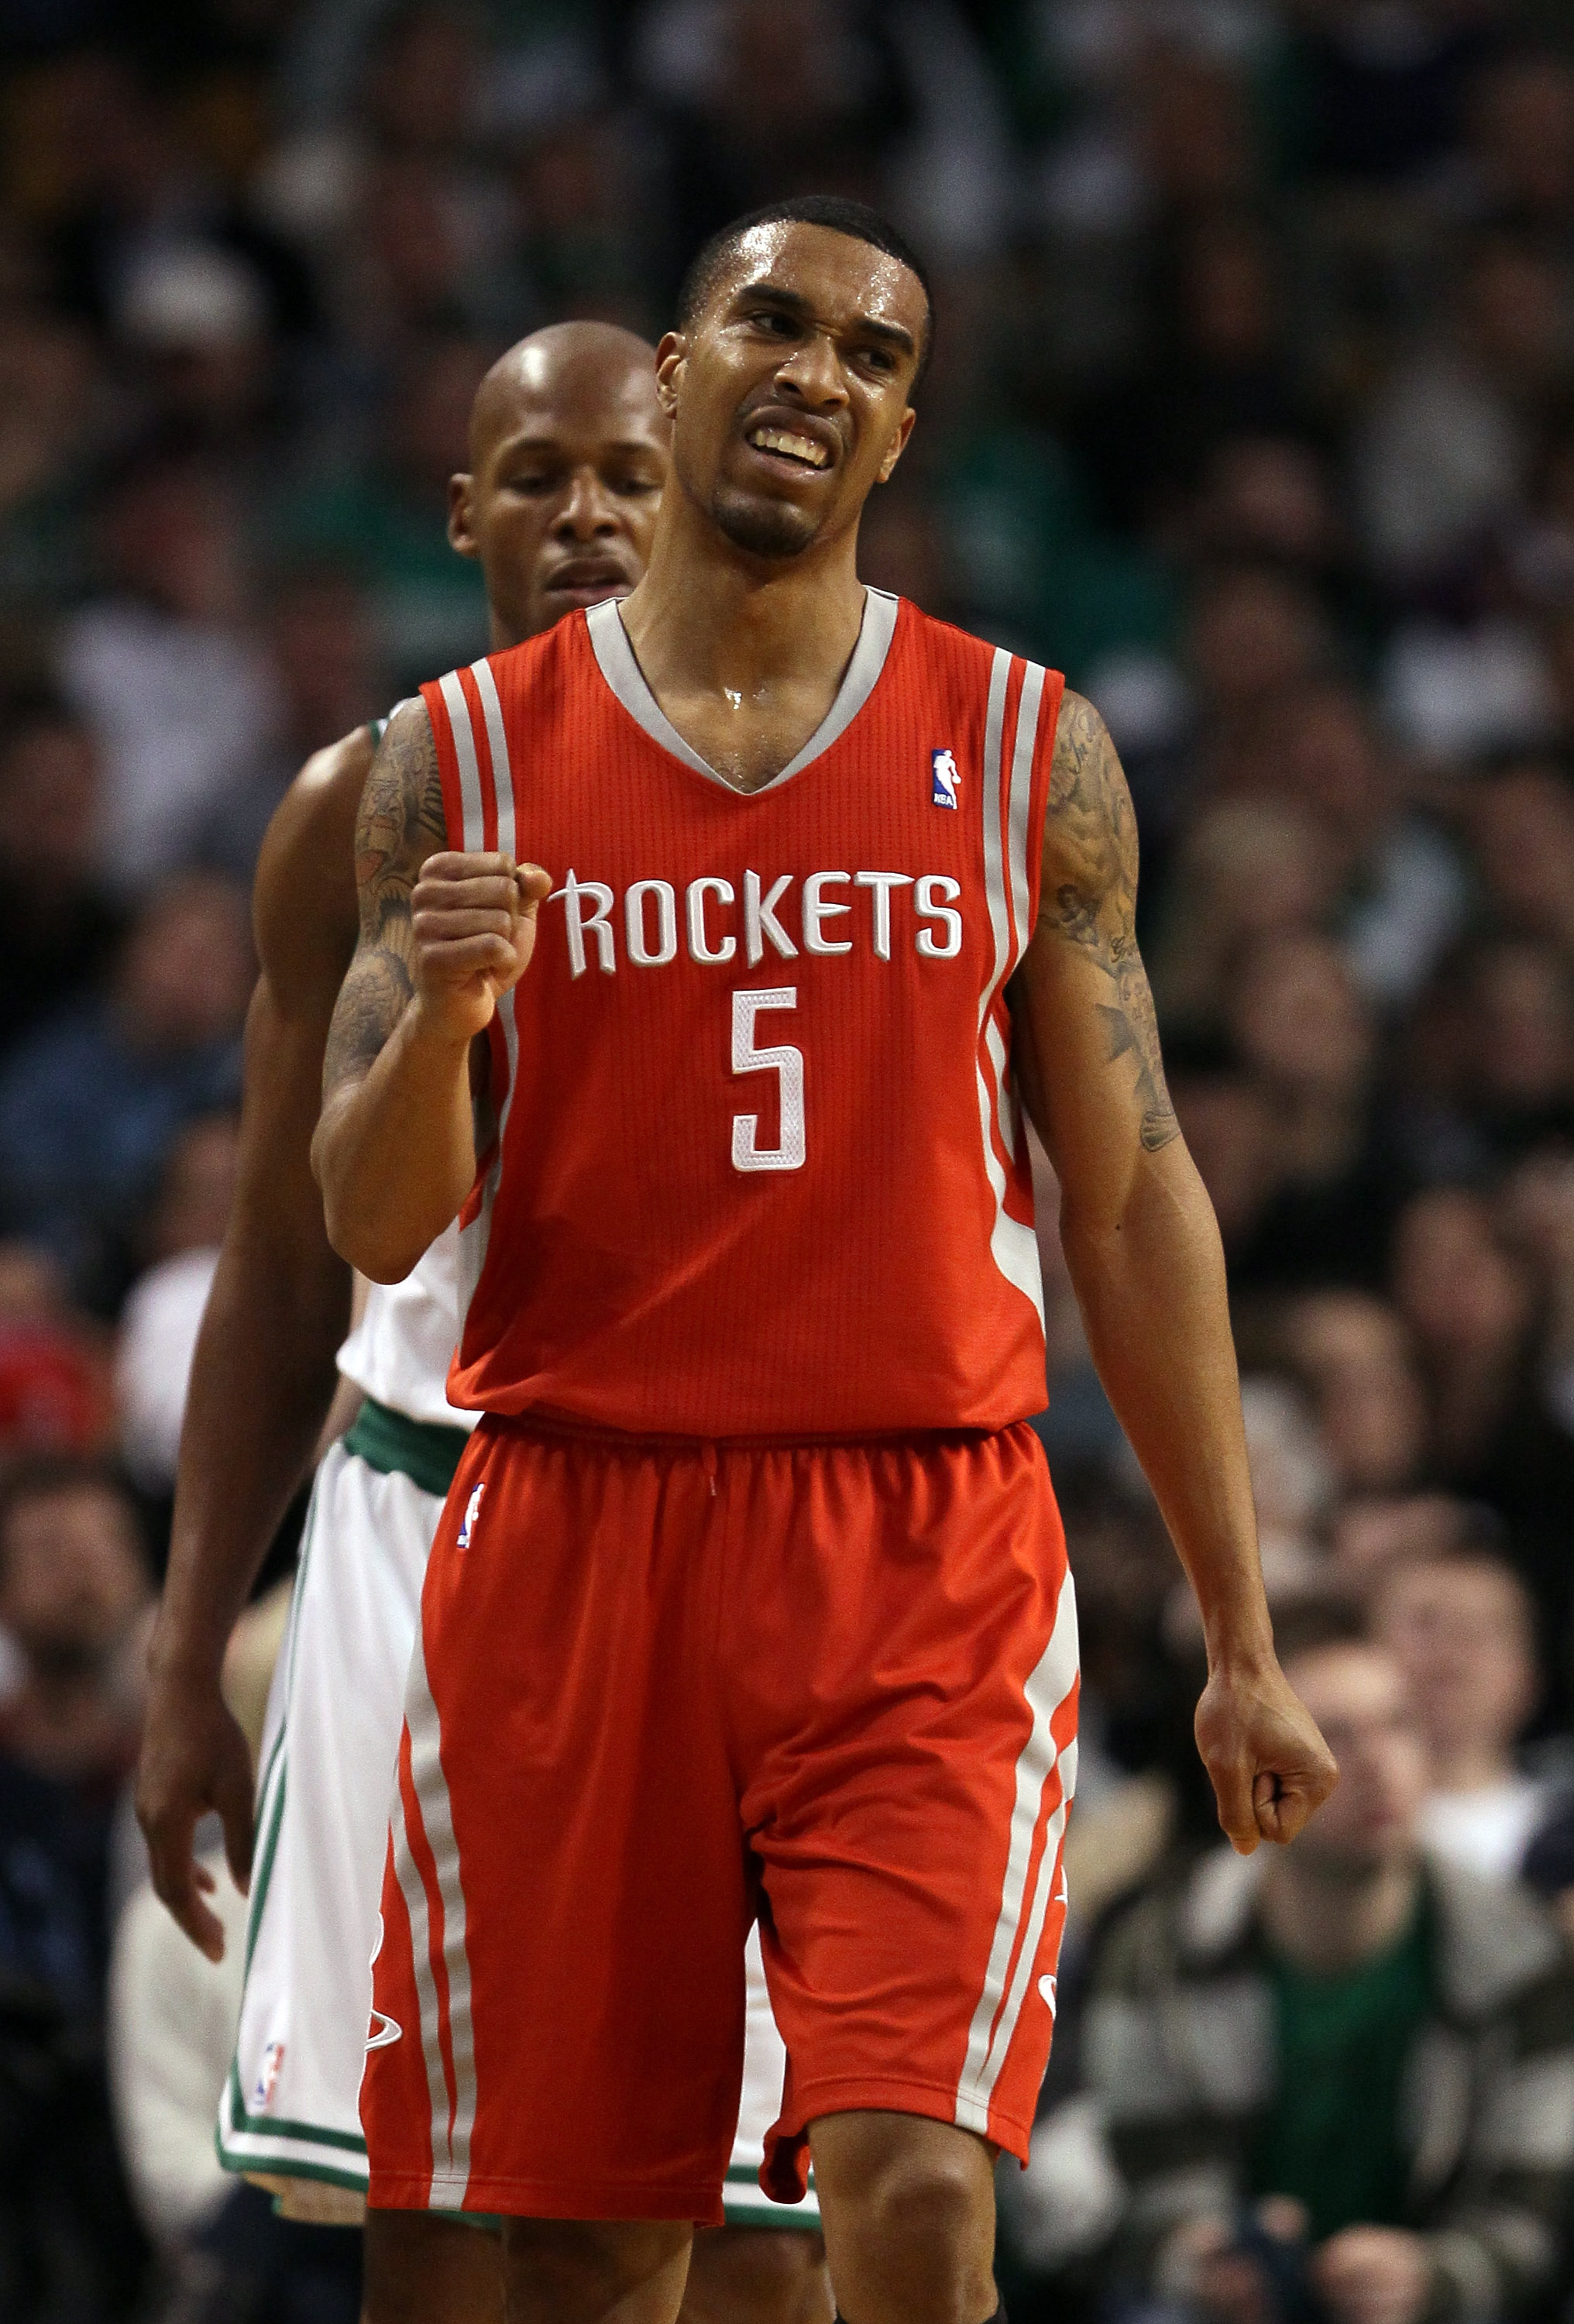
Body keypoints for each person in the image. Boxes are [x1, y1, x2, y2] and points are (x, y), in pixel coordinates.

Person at [313, 194, 1336, 2324]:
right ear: (674, 373)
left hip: (920, 1536)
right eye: (773, 325)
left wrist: (1242, 1624)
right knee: (592, 2242)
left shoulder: (1028, 751)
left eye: (873, 358)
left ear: (896, 440)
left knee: (914, 2187)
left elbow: (1133, 1202)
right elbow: (371, 1215)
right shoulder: (456, 759)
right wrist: (441, 1023)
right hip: (580, 1527)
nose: (819, 374)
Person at [137, 323, 827, 2324]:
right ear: (464, 516)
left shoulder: (842, 788)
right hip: (429, 1533)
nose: (591, 515)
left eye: (632, 472)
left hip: (739, 1541)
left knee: (765, 2232)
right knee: (440, 2234)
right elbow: (280, 1269)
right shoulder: (360, 806)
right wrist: (193, 1652)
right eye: (539, 477)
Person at [1016, 1631, 1574, 2324]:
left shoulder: (1521, 1956)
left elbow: (1532, 2212)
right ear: (1248, 1771)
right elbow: (1137, 2176)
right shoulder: (1162, 1949)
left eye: (1397, 1724)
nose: (1377, 1763)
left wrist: (1433, 2280)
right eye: (1331, 1735)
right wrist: (1203, 2257)